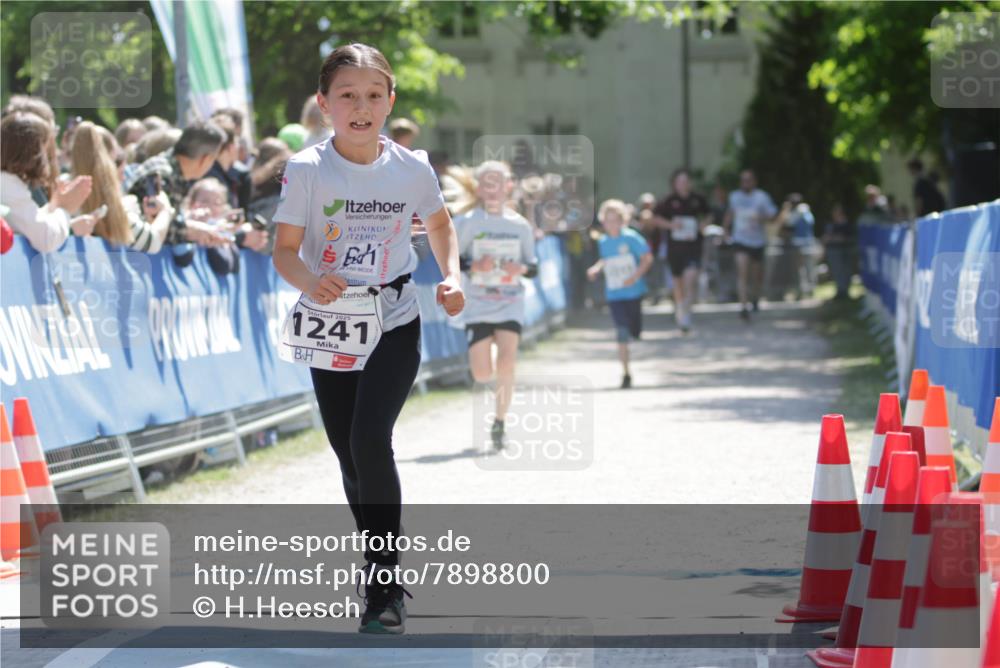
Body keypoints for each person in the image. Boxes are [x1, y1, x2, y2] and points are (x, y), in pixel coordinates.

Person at [271, 43, 464, 635]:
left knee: (369, 439)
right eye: (348, 96)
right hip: (332, 323)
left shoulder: (411, 168)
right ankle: (380, 549)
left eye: (374, 96)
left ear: (390, 102)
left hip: (394, 318)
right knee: (347, 453)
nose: (361, 107)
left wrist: (452, 274)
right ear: (325, 103)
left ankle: (384, 582)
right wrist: (311, 280)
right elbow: (284, 251)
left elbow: (439, 224)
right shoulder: (307, 169)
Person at [452, 160, 537, 450]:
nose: (492, 189)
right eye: (486, 183)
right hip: (477, 303)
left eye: (497, 183)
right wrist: (474, 265)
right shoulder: (465, 222)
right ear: (478, 188)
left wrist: (520, 269)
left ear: (508, 186)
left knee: (507, 362)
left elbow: (533, 265)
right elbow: (451, 259)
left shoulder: (519, 225)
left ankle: (500, 421)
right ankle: (485, 356)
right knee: (482, 374)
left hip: (510, 301)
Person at [123, 120, 232, 255]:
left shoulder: (171, 171)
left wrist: (199, 230)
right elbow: (155, 226)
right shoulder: (161, 174)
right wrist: (193, 231)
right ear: (205, 159)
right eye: (213, 160)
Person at [70, 121, 173, 253]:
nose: (123, 174)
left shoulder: (65, 197)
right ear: (110, 163)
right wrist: (165, 211)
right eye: (118, 160)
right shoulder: (114, 207)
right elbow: (152, 241)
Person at [0, 111, 96, 252]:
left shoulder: (8, 183)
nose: (50, 155)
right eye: (47, 148)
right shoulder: (8, 186)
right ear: (34, 152)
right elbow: (46, 239)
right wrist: (65, 209)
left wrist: (54, 205)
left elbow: (30, 220)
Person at [586, 198, 652, 389]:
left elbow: (647, 258)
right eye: (608, 220)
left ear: (622, 220)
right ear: (603, 222)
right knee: (621, 333)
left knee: (634, 331)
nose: (611, 224)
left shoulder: (632, 238)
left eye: (615, 220)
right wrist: (596, 269)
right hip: (615, 294)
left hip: (633, 293)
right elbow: (606, 260)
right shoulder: (604, 241)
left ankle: (635, 333)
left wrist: (635, 276)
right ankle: (626, 373)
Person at [652, 169, 711, 332]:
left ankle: (686, 312)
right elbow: (655, 218)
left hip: (693, 246)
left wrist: (703, 225)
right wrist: (671, 225)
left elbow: (709, 215)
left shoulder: (698, 199)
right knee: (677, 282)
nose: (683, 185)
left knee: (690, 279)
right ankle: (680, 308)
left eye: (686, 181)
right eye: (680, 181)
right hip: (675, 249)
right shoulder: (668, 200)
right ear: (674, 183)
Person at [723, 169, 777, 321]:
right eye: (743, 180)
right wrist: (725, 230)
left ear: (754, 181)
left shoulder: (762, 197)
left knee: (757, 275)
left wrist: (759, 217)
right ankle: (743, 306)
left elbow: (772, 216)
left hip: (757, 241)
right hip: (740, 240)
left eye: (748, 180)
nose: (745, 183)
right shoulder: (734, 196)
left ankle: (755, 297)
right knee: (742, 272)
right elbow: (730, 214)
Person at [775, 193, 816, 300]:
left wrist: (786, 209)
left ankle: (802, 290)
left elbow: (786, 224)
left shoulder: (798, 212)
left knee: (800, 269)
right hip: (809, 242)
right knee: (809, 267)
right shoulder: (807, 211)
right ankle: (810, 290)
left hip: (799, 243)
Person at [822, 202, 855, 300]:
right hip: (833, 251)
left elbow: (845, 238)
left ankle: (845, 292)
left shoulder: (847, 224)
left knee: (845, 271)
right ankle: (840, 291)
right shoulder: (831, 225)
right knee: (837, 272)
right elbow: (826, 238)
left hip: (845, 251)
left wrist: (833, 238)